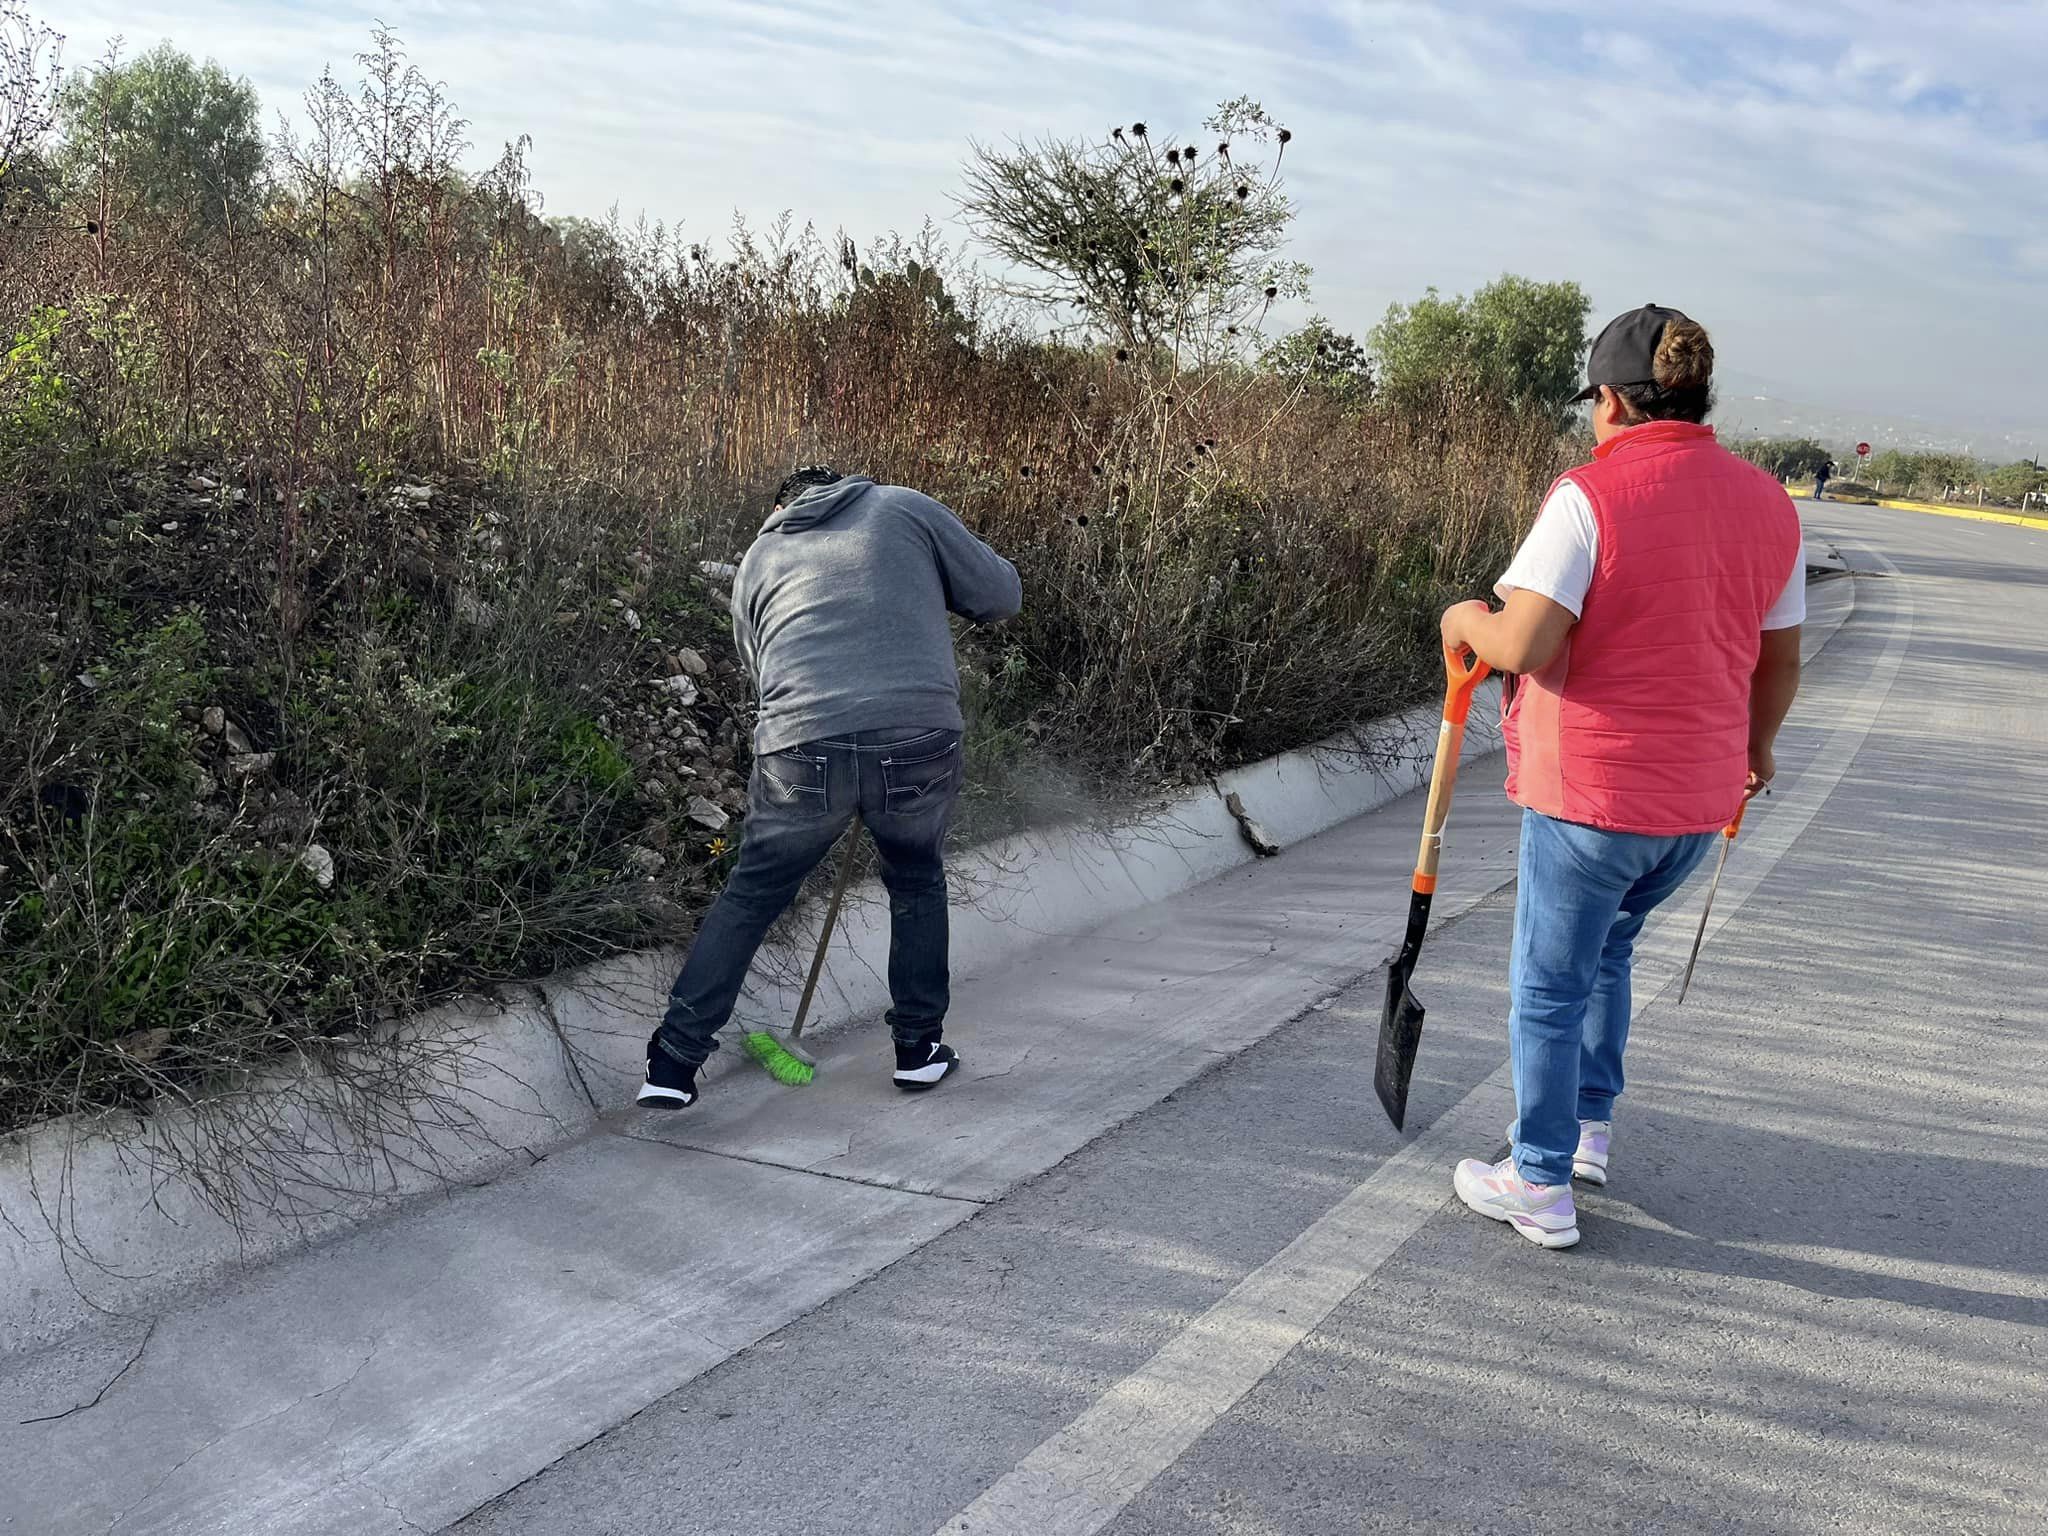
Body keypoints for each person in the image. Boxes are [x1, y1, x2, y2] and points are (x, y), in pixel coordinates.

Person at [1438, 305, 1803, 1249]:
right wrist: (1755, 752)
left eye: (1592, 405)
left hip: (1593, 798)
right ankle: (1587, 1130)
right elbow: (1779, 660)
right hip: (1695, 806)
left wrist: (1461, 619)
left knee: (1550, 984)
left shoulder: (1590, 496)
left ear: (1611, 399)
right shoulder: (1770, 504)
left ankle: (1540, 1180)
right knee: (1609, 957)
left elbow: (1521, 641)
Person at [638, 467, 1023, 1109]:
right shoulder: (904, 508)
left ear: (784, 506)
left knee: (752, 895)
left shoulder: (761, 554)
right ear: (845, 486)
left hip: (801, 739)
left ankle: (672, 1064)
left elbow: (760, 667)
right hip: (914, 734)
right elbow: (1000, 595)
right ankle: (918, 1050)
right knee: (916, 879)